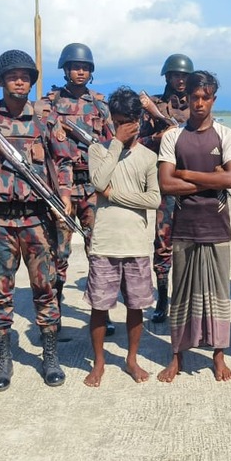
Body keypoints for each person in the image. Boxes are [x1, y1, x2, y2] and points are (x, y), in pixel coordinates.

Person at [0, 49, 72, 391]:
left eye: (26, 77)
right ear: (0, 81)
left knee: (46, 289)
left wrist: (67, 197)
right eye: (13, 76)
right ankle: (3, 360)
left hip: (35, 220)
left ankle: (50, 356)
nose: (20, 81)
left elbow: (63, 162)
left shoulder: (45, 119)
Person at [156, 71, 231, 383]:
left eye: (206, 97)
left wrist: (187, 175)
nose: (200, 103)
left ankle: (219, 356)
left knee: (218, 293)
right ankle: (177, 356)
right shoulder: (173, 137)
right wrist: (208, 178)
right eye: (195, 97)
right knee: (182, 294)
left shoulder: (226, 135)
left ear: (213, 99)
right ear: (186, 99)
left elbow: (230, 179)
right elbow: (166, 182)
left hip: (217, 225)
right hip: (184, 226)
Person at [83, 87, 161, 387]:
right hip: (105, 242)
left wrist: (114, 195)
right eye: (116, 122)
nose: (122, 127)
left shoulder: (148, 157)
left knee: (136, 305)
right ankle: (99, 362)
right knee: (100, 306)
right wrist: (115, 143)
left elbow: (153, 199)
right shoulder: (99, 150)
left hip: (136, 243)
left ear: (138, 121)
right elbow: (98, 181)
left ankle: (131, 359)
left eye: (127, 121)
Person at [42, 42, 115, 335]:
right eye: (74, 67)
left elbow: (112, 144)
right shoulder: (49, 104)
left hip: (92, 188)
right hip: (61, 188)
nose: (79, 71)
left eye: (84, 67)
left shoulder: (100, 105)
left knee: (98, 252)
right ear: (65, 69)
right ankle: (54, 313)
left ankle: (102, 313)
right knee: (57, 254)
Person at [138, 53, 193, 323]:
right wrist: (156, 138)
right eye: (175, 75)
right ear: (167, 77)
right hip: (164, 184)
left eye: (184, 76)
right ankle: (162, 297)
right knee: (163, 242)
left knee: (194, 242)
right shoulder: (154, 106)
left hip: (193, 183)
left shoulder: (198, 104)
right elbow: (137, 142)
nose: (180, 80)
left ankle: (189, 298)